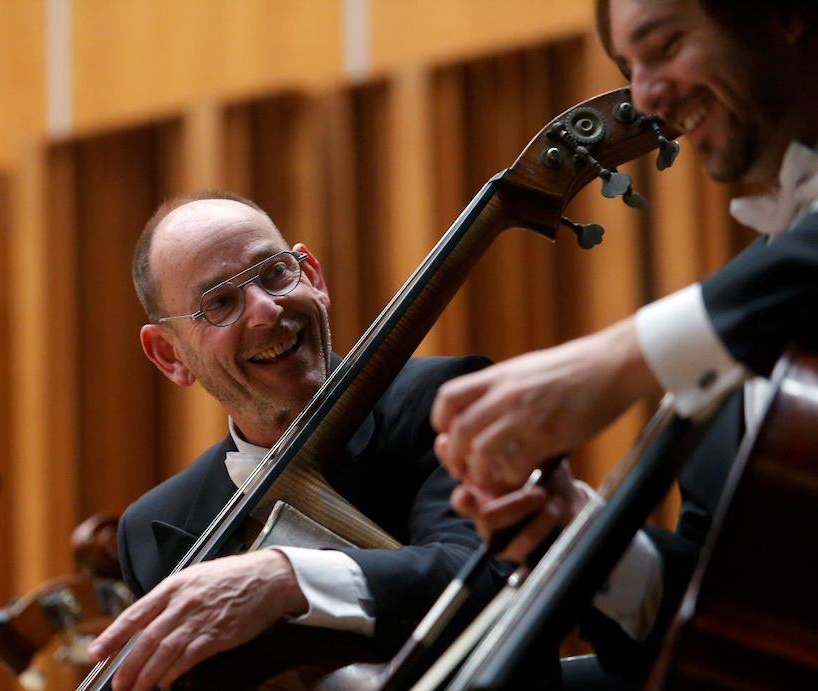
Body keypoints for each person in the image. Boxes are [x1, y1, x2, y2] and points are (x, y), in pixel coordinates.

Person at [431, 0, 818, 679]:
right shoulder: (752, 306)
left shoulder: (747, 308)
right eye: (627, 68)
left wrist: (615, 362)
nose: (642, 97)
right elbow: (737, 623)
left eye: (665, 46)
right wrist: (591, 542)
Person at [87, 191, 508, 690]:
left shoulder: (445, 401)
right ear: (169, 354)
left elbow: (487, 579)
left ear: (313, 277)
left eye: (274, 274)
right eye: (220, 301)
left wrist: (283, 577)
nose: (266, 310)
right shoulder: (155, 527)